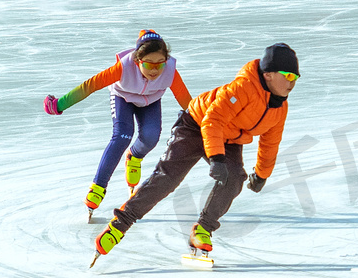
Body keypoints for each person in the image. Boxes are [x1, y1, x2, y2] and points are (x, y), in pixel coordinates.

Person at [92, 43, 300, 261]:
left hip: (228, 139)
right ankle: (120, 224)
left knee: (234, 178)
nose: (292, 82)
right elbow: (213, 120)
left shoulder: (279, 109)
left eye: (296, 77)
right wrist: (216, 158)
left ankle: (202, 230)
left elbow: (270, 142)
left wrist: (261, 173)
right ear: (267, 74)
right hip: (195, 125)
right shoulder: (243, 88)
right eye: (287, 75)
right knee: (168, 178)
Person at [43, 30, 192, 220]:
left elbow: (187, 102)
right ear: (138, 61)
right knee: (122, 136)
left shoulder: (170, 71)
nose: (154, 70)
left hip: (150, 101)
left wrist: (207, 122)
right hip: (123, 97)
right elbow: (91, 85)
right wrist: (59, 105)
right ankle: (98, 187)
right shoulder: (123, 67)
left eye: (160, 64)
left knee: (151, 136)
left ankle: (135, 156)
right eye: (148, 64)